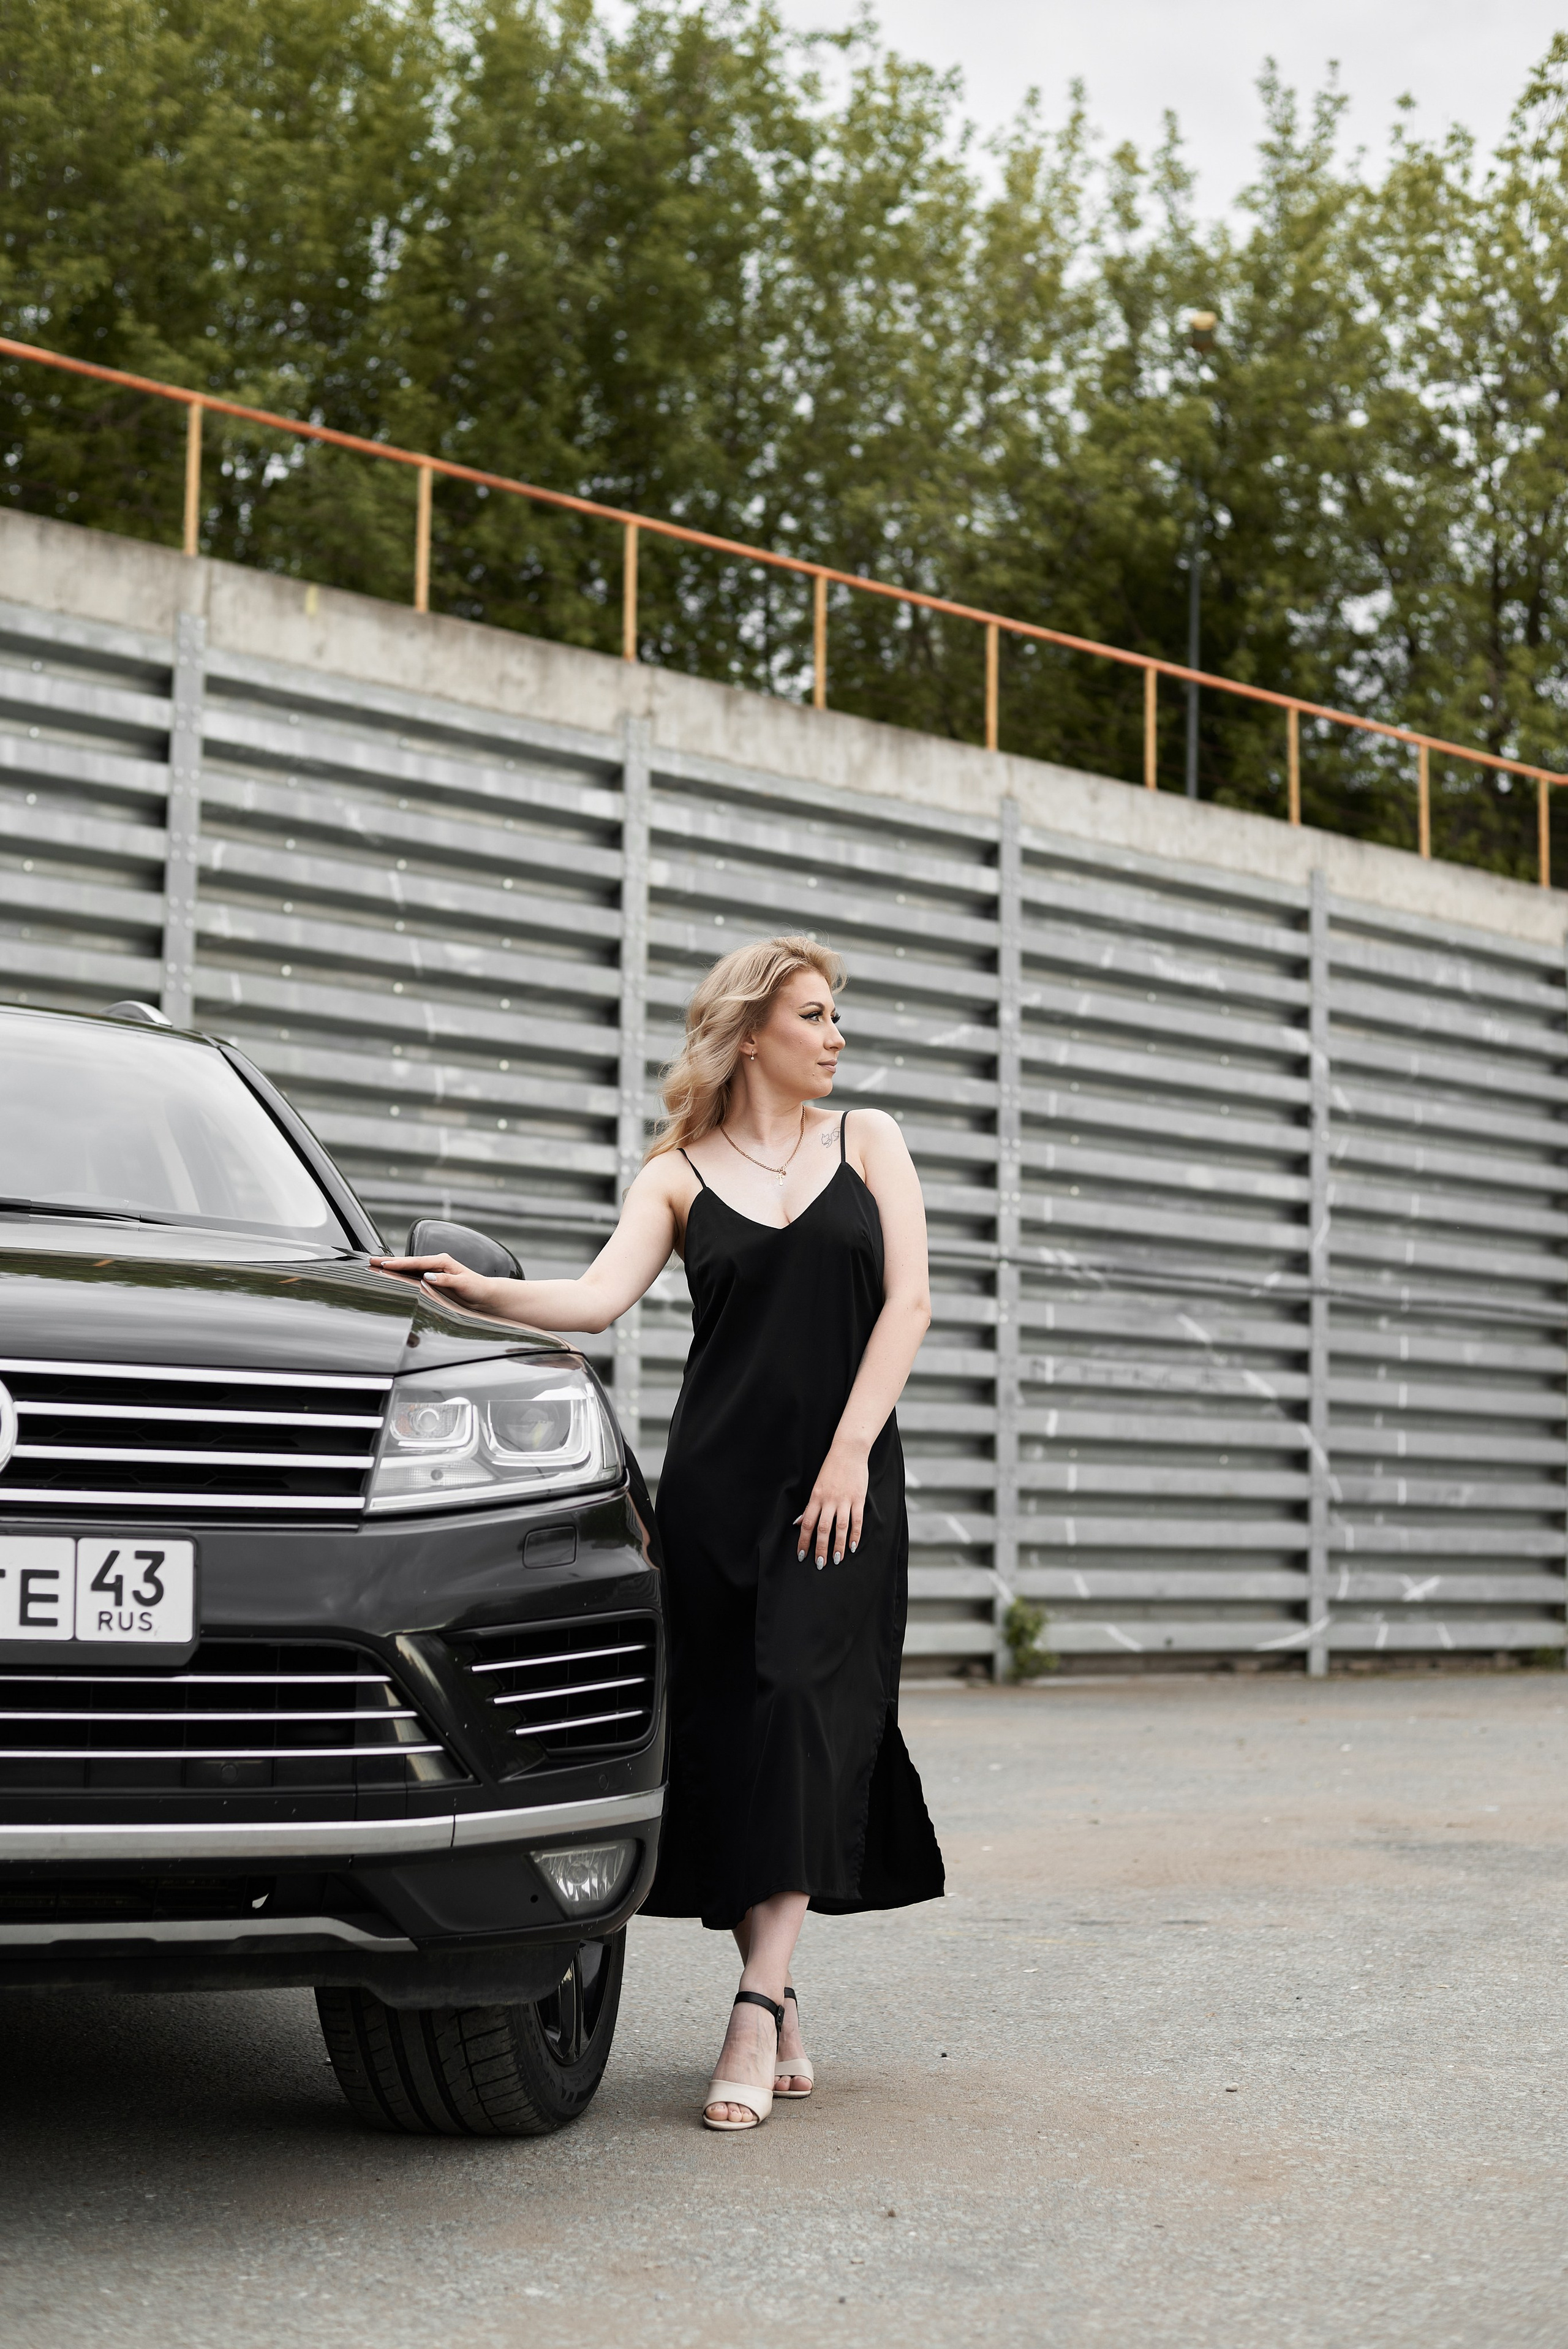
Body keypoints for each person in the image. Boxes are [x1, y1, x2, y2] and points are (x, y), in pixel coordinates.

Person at [373, 934, 945, 2130]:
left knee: (797, 1701)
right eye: (814, 1016)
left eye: (835, 1016)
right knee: (736, 1741)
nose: (835, 1036)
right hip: (715, 1498)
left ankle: (749, 2003)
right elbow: (592, 1300)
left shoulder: (869, 1141)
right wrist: (465, 1291)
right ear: (751, 1035)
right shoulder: (676, 1173)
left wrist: (848, 1454)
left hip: (841, 1488)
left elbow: (909, 1300)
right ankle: (781, 1996)